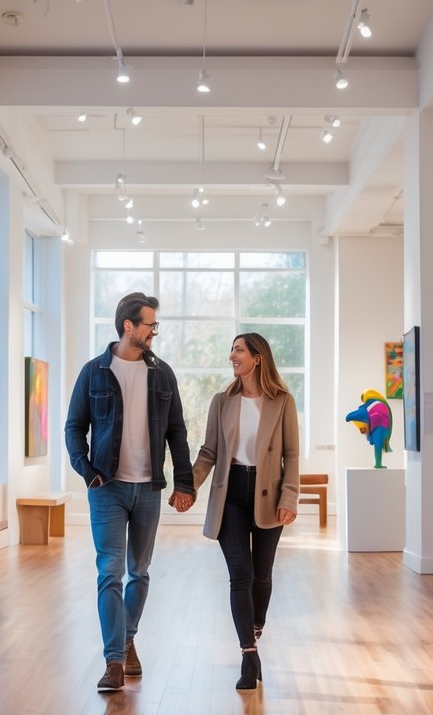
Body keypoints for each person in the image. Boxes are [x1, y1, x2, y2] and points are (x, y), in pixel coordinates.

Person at [66, 292, 196, 692]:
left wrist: (184, 481)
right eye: (149, 324)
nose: (153, 331)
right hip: (107, 489)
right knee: (110, 572)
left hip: (149, 489)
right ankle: (114, 661)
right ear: (128, 326)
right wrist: (87, 472)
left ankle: (126, 638)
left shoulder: (162, 374)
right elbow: (74, 427)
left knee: (139, 572)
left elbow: (177, 431)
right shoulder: (94, 372)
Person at [181, 333, 299, 690]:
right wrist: (188, 487)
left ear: (257, 357)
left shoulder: (282, 402)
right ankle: (249, 654)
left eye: (238, 350)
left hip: (268, 496)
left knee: (262, 576)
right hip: (230, 494)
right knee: (240, 575)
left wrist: (289, 497)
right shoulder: (222, 401)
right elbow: (208, 453)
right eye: (232, 349)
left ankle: (255, 627)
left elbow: (291, 455)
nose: (232, 355)